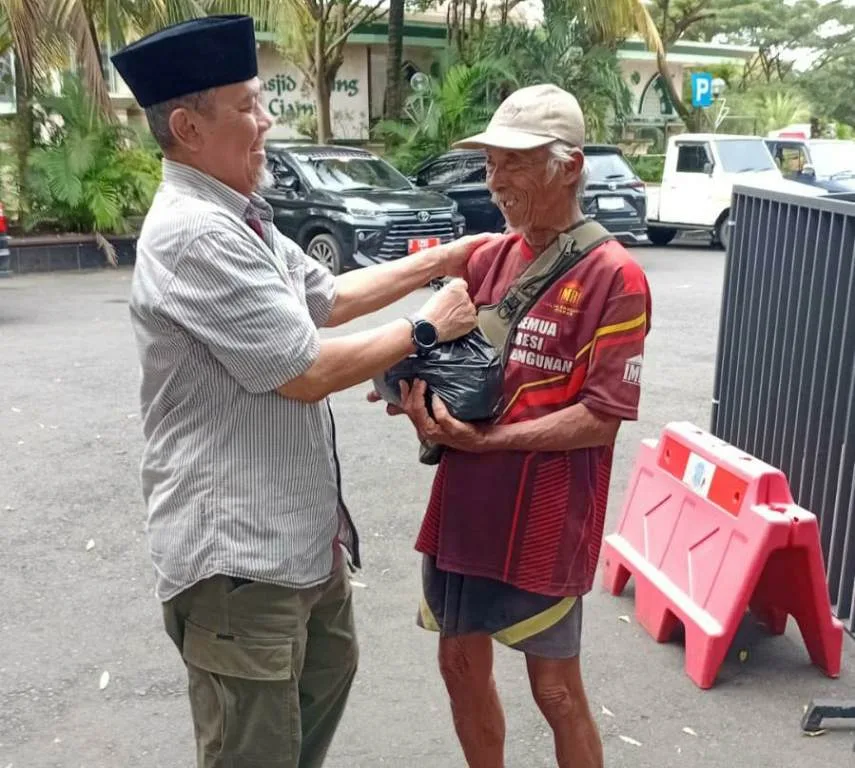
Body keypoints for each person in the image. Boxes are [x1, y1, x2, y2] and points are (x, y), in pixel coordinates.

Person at [111, 15, 494, 768]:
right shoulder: (195, 233)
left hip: (297, 541)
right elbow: (302, 371)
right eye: (249, 106)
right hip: (238, 559)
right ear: (187, 126)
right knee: (255, 747)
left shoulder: (241, 217)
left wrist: (440, 259)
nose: (267, 121)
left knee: (322, 683)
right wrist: (426, 328)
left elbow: (328, 298)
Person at [376, 84, 653, 768]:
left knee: (555, 689)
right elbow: (450, 365)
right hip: (465, 504)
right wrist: (419, 404)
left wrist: (488, 441)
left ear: (570, 166)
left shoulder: (615, 278)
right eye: (491, 163)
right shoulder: (487, 258)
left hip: (546, 515)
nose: (495, 180)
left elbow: (601, 418)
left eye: (515, 163)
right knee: (456, 666)